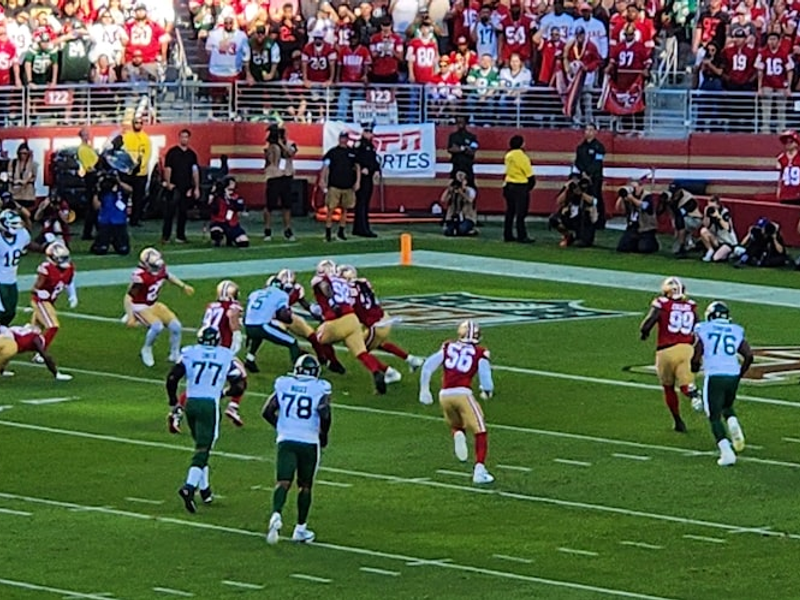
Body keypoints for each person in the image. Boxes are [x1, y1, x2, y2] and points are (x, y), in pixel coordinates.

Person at [167, 326, 240, 513]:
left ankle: (205, 489)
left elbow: (172, 378)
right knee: (203, 449)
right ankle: (189, 487)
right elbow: (239, 383)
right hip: (209, 404)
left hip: (191, 402)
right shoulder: (225, 355)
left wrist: (174, 403)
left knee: (200, 446)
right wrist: (224, 393)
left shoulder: (191, 353)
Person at [263, 354, 332, 544]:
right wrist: (324, 434)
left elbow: (267, 411)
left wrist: (282, 426)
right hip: (309, 440)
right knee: (305, 486)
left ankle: (276, 514)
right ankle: (300, 528)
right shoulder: (320, 387)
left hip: (286, 439)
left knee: (283, 482)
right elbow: (324, 413)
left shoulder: (284, 384)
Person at [419, 320, 495, 485]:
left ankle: (458, 434)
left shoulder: (448, 347)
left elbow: (428, 366)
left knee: (457, 424)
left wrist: (424, 390)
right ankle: (479, 471)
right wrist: (486, 391)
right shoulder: (479, 352)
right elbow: (486, 379)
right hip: (463, 393)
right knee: (480, 430)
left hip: (444, 395)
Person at [691, 301, 753, 466]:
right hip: (732, 373)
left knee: (714, 415)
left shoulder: (704, 328)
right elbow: (749, 355)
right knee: (727, 405)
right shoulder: (736, 330)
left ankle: (726, 452)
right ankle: (733, 423)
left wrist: (694, 367)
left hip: (715, 374)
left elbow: (697, 353)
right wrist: (740, 374)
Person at [312, 259, 387, 394]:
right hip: (352, 319)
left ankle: (334, 363)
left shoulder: (320, 280)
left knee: (319, 337)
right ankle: (376, 372)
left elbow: (325, 287)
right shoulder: (343, 282)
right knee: (361, 353)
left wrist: (332, 301)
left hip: (337, 320)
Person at [639, 277, 702, 433]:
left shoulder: (662, 303)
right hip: (686, 349)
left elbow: (649, 322)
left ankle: (678, 420)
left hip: (665, 351)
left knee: (668, 387)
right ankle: (693, 393)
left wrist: (644, 332)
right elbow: (699, 329)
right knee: (686, 383)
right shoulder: (691, 306)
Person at [338, 264, 423, 376]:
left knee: (360, 350)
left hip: (374, 324)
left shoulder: (347, 290)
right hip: (384, 317)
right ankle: (411, 359)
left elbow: (350, 308)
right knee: (379, 343)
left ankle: (390, 373)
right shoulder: (363, 282)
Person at [124, 247, 195, 367]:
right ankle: (146, 349)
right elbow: (128, 297)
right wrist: (131, 315)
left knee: (176, 327)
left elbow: (167, 275)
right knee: (157, 327)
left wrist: (183, 286)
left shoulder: (159, 269)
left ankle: (174, 354)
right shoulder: (141, 277)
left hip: (154, 303)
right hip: (140, 305)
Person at [269, 269, 344, 373]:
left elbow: (304, 304)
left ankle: (322, 358)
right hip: (271, 317)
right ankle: (297, 355)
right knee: (285, 337)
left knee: (312, 336)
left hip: (288, 316)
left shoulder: (297, 289)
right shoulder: (272, 285)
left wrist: (317, 314)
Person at [243, 277, 299, 373]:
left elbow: (247, 312)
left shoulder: (255, 293)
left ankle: (250, 359)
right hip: (262, 326)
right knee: (292, 342)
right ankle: (297, 369)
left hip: (248, 324)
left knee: (257, 337)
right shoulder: (282, 295)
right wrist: (289, 319)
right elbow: (283, 314)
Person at [30, 242, 77, 353]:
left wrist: (73, 295)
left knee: (33, 331)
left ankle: (10, 339)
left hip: (50, 302)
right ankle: (40, 354)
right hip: (41, 301)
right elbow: (34, 289)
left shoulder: (69, 268)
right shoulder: (46, 269)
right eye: (61, 258)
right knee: (53, 326)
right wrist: (39, 292)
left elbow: (69, 282)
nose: (64, 261)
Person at [320, 131, 360, 242]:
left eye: (345, 138)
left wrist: (357, 182)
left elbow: (357, 167)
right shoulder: (332, 152)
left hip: (348, 185)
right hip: (334, 185)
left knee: (345, 209)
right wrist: (322, 179)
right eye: (341, 137)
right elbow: (325, 166)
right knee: (331, 209)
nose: (343, 140)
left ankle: (341, 232)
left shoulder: (352, 153)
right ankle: (328, 232)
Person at [162, 128, 200, 244]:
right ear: (179, 138)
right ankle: (166, 236)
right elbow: (168, 168)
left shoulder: (192, 154)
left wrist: (196, 187)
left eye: (186, 137)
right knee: (170, 212)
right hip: (174, 186)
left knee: (183, 213)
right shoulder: (172, 152)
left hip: (186, 187)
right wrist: (168, 183)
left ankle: (180, 236)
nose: (184, 139)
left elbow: (195, 171)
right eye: (182, 137)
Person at [263, 125, 298, 242]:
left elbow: (290, 154)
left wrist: (281, 144)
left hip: (286, 176)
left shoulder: (290, 144)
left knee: (287, 205)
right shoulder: (270, 146)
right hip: (273, 176)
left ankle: (287, 230)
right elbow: (268, 160)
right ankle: (267, 230)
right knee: (270, 205)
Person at [0, 324, 72, 380]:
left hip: (5, 336)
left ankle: (1, 371)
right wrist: (56, 373)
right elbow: (46, 356)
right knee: (8, 351)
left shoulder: (20, 331)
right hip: (6, 340)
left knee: (7, 353)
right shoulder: (36, 339)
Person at [0, 209, 32, 326]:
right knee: (2, 311)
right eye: (13, 224)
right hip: (0, 281)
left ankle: (2, 334)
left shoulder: (21, 235)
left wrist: (46, 248)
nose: (16, 227)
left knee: (10, 312)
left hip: (12, 280)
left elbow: (29, 244)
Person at [90, 171, 132, 256]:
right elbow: (96, 206)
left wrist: (118, 182)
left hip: (119, 222)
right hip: (105, 222)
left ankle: (117, 242)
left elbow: (130, 190)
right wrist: (96, 191)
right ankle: (100, 243)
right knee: (100, 250)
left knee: (123, 250)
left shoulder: (122, 191)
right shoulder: (103, 191)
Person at [502, 134, 535, 243]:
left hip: (508, 185)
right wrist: (529, 186)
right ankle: (522, 235)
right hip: (520, 186)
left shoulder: (508, 155)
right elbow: (529, 173)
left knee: (510, 211)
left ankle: (508, 234)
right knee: (521, 213)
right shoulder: (522, 156)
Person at [549, 175, 598, 247]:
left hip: (583, 218)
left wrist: (581, 193)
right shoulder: (568, 189)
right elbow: (559, 201)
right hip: (570, 215)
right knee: (554, 219)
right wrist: (567, 189)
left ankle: (582, 237)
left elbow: (593, 201)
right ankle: (568, 236)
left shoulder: (588, 188)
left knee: (582, 243)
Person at [573, 123, 605, 228]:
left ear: (595, 132)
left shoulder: (599, 147)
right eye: (587, 130)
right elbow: (577, 162)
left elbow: (597, 162)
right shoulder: (580, 147)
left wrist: (589, 173)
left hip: (595, 177)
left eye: (591, 130)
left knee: (596, 197)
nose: (589, 132)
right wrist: (583, 172)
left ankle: (599, 221)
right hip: (583, 177)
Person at [614, 178, 659, 254]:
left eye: (635, 187)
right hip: (633, 227)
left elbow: (645, 206)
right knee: (622, 248)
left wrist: (632, 199)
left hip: (646, 228)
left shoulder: (647, 196)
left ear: (641, 187)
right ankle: (635, 243)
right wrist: (622, 197)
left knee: (644, 249)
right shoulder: (629, 197)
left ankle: (653, 244)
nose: (634, 190)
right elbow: (619, 209)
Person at [122, 117, 152, 227]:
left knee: (138, 198)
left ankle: (135, 220)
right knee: (123, 196)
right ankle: (122, 217)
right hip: (128, 172)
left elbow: (147, 155)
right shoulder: (127, 136)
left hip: (141, 173)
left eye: (140, 123)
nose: (138, 124)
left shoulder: (145, 138)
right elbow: (123, 152)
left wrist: (139, 166)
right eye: (136, 123)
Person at [353, 123, 380, 238]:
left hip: (368, 177)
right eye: (368, 132)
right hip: (361, 177)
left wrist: (375, 169)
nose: (370, 134)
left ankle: (362, 227)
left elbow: (373, 160)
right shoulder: (360, 145)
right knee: (361, 203)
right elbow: (356, 161)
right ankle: (361, 228)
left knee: (365, 203)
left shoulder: (371, 146)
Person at [208, 176, 249, 248]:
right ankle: (219, 239)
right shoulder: (218, 197)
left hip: (232, 223)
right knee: (216, 233)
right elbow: (212, 208)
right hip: (219, 222)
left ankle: (231, 238)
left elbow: (240, 207)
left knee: (243, 243)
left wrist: (230, 199)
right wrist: (213, 195)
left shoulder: (237, 197)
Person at [77, 127, 100, 240]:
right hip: (91, 177)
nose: (87, 136)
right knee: (92, 207)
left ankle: (93, 230)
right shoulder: (83, 149)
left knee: (93, 207)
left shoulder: (88, 148)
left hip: (93, 176)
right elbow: (89, 167)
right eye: (85, 135)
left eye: (88, 134)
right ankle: (88, 232)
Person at [699, 195, 737, 262]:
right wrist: (706, 215)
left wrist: (718, 216)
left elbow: (727, 227)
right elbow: (706, 225)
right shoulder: (710, 213)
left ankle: (731, 253)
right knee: (703, 231)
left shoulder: (725, 212)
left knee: (716, 258)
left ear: (718, 205)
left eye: (713, 207)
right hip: (717, 240)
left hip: (728, 241)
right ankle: (710, 250)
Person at [441, 171, 478, 237]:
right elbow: (443, 199)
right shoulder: (453, 191)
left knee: (462, 229)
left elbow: (470, 200)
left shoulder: (470, 190)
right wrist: (448, 190)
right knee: (449, 232)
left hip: (467, 217)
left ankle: (470, 230)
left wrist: (462, 193)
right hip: (454, 216)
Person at [447, 116, 478, 188]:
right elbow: (451, 149)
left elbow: (472, 151)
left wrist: (459, 148)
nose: (459, 124)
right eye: (458, 122)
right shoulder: (453, 136)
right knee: (453, 188)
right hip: (456, 166)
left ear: (465, 123)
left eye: (461, 122)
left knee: (470, 187)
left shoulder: (472, 136)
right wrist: (464, 148)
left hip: (468, 167)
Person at [8, 143, 37, 210]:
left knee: (27, 214)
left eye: (25, 153)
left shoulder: (33, 164)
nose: (22, 155)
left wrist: (24, 181)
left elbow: (33, 177)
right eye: (21, 153)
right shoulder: (13, 162)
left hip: (27, 194)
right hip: (15, 193)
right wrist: (14, 181)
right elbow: (9, 175)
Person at [776, 129, 800, 204]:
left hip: (798, 194)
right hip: (785, 194)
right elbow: (781, 177)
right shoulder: (781, 158)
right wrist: (779, 190)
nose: (788, 144)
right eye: (786, 142)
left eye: (791, 142)